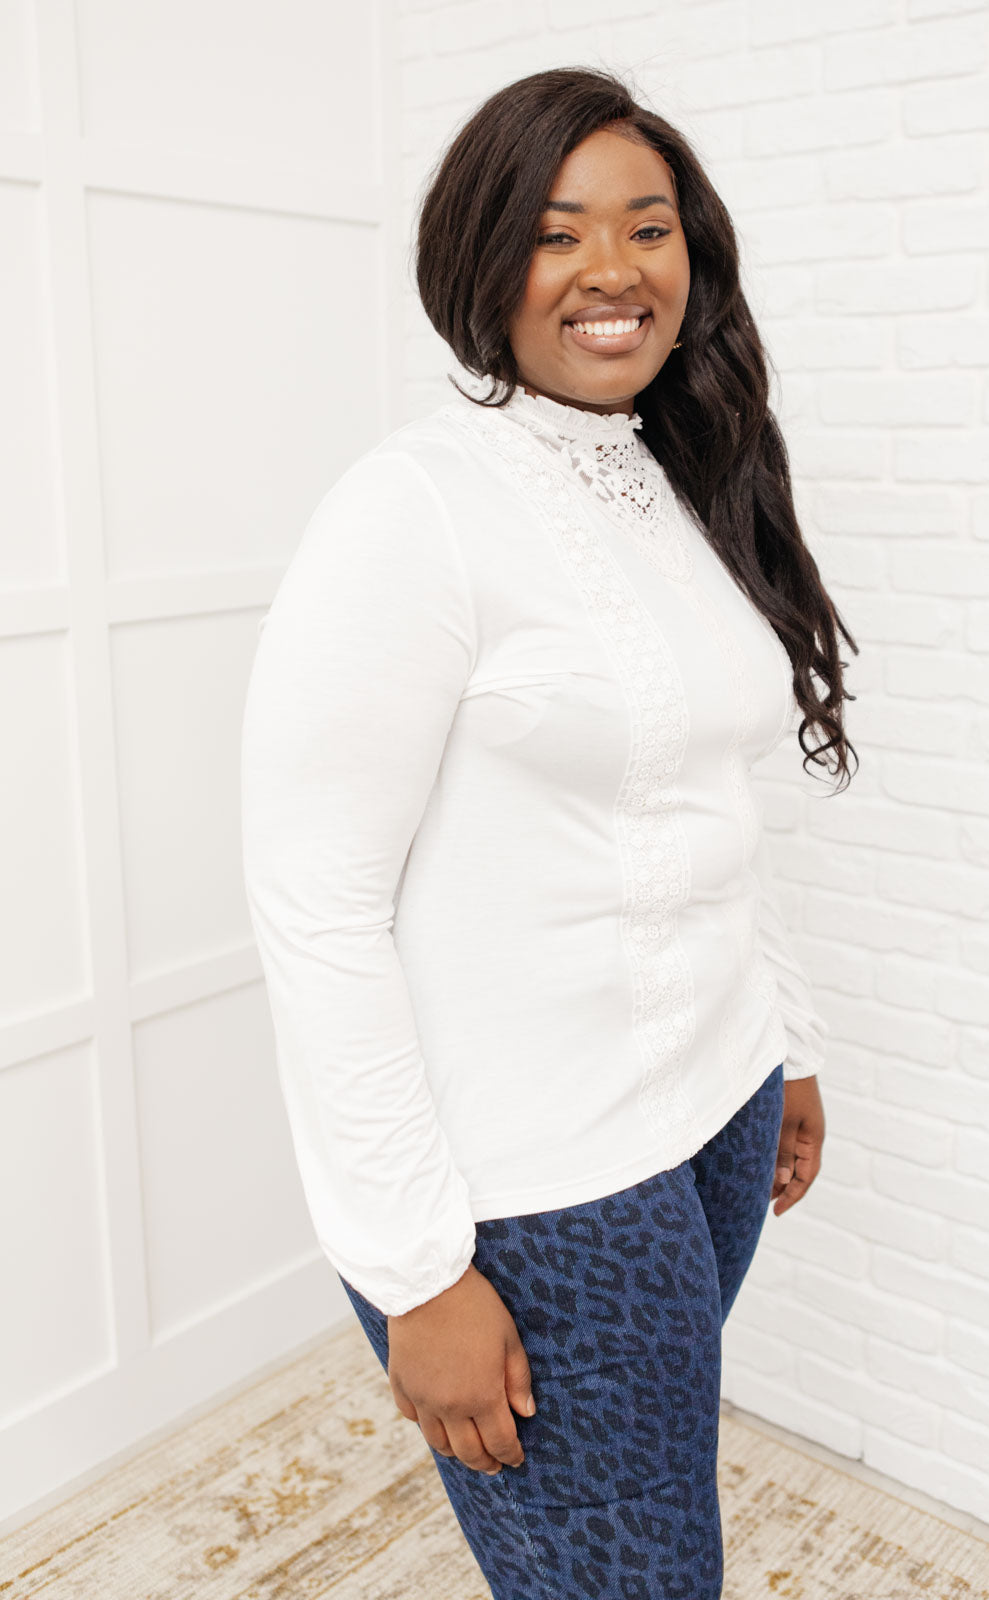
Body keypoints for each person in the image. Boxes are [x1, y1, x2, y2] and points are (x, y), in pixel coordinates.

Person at [240, 64, 858, 1600]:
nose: (611, 269)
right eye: (556, 231)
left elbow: (710, 793)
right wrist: (418, 1273)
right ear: (481, 256)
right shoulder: (414, 510)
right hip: (539, 1187)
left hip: (713, 1117)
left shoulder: (678, 477)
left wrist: (784, 1038)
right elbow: (317, 903)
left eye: (648, 227)